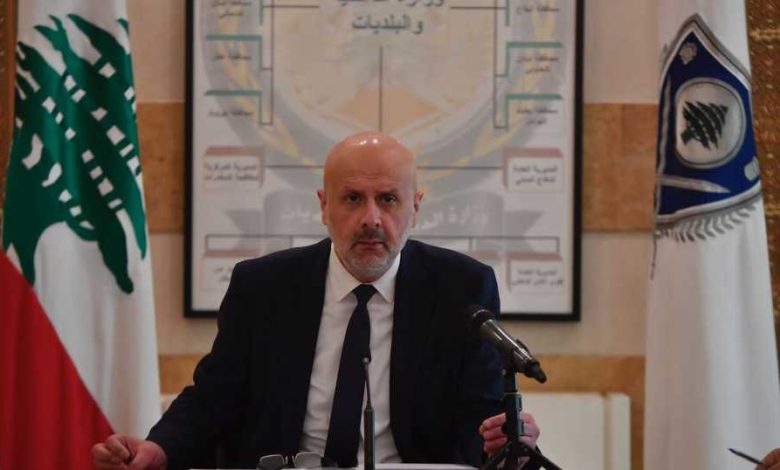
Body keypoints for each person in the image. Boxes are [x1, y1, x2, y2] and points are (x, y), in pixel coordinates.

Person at [92, 132, 540, 469]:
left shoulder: (461, 288)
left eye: (388, 199)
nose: (371, 219)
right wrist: (159, 448)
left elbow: (482, 413)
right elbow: (214, 398)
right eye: (352, 199)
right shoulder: (264, 287)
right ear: (324, 206)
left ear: (415, 208)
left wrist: (509, 436)